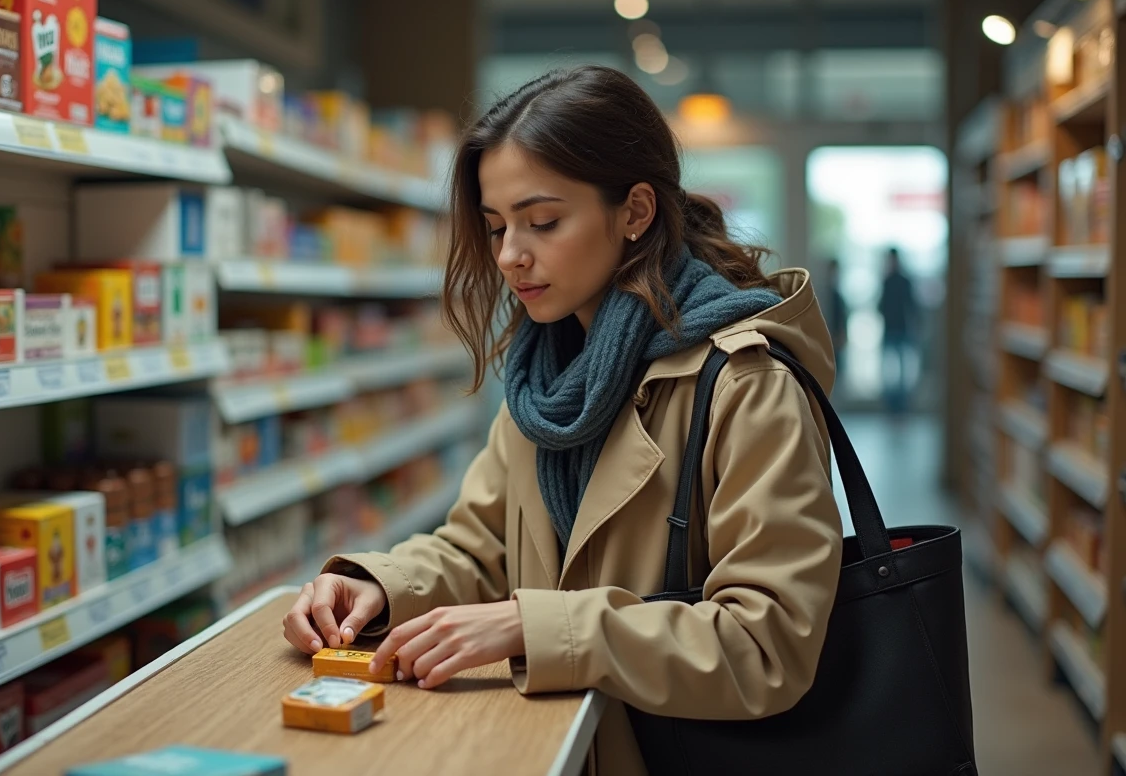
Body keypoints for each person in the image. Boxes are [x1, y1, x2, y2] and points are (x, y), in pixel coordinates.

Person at [283, 66, 843, 776]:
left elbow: (767, 644)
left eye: (542, 221)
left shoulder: (744, 385)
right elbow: (481, 548)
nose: (512, 253)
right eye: (496, 226)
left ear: (635, 211)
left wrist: (537, 626)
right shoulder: (544, 376)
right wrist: (378, 586)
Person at [877, 247, 918, 414]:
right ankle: (892, 404)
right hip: (891, 329)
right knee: (889, 369)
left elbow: (911, 307)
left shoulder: (901, 281)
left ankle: (900, 404)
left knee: (901, 370)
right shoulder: (888, 281)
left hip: (901, 330)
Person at [824, 258, 848, 379]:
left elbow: (843, 317)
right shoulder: (823, 294)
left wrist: (842, 335)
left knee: (838, 370)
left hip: (837, 337)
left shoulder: (839, 296)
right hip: (827, 337)